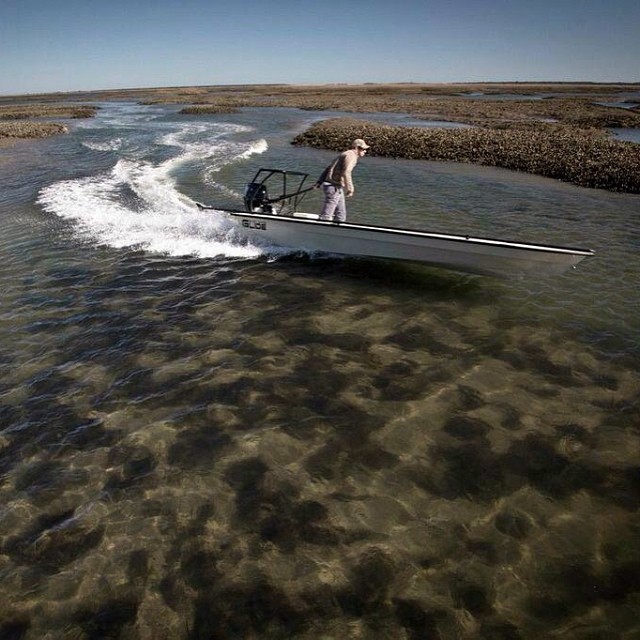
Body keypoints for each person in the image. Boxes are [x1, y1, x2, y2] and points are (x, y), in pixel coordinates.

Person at [314, 138, 370, 222]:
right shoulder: (351, 156)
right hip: (333, 187)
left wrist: (319, 182)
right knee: (326, 216)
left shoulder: (345, 154)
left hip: (335, 187)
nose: (365, 151)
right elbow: (346, 172)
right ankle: (320, 229)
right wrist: (350, 188)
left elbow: (329, 168)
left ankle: (338, 230)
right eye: (364, 149)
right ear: (357, 147)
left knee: (341, 215)